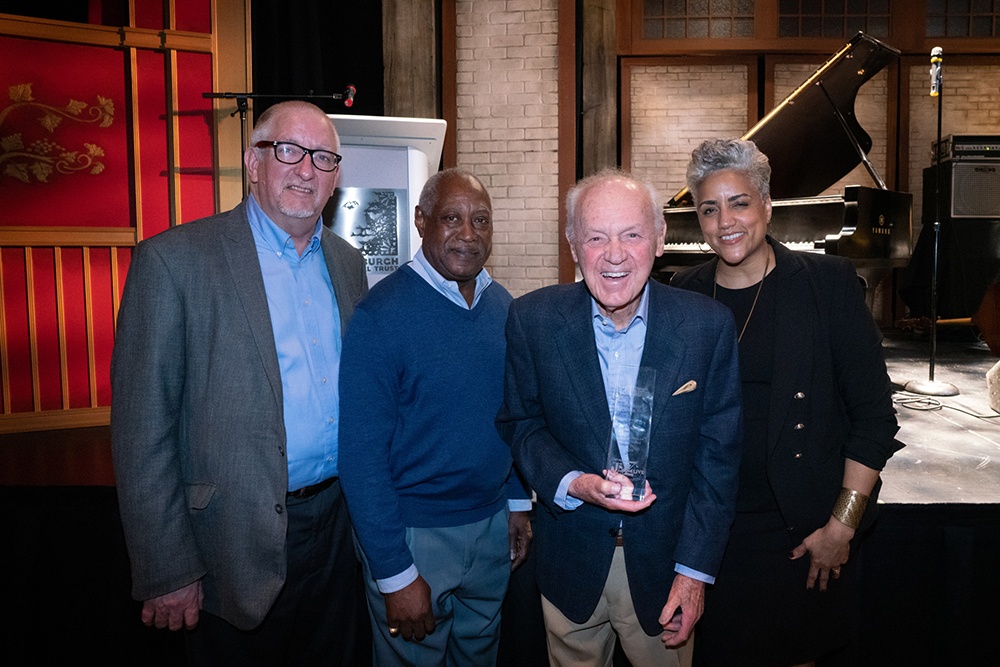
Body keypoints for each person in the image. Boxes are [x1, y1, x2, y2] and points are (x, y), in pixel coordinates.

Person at [111, 101, 368, 665]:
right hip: (229, 543)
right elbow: (141, 430)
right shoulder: (173, 262)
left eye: (323, 158)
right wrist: (167, 567)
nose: (306, 169)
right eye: (289, 151)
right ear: (254, 163)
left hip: (336, 535)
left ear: (336, 177)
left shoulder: (348, 264)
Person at [497, 169, 743, 666]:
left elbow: (718, 460)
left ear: (659, 239)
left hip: (666, 569)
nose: (614, 254)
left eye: (631, 234)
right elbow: (522, 424)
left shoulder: (706, 327)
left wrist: (694, 574)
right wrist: (573, 483)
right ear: (572, 244)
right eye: (595, 237)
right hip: (570, 565)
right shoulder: (532, 320)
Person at [670, 138, 902, 666]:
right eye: (709, 208)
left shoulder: (827, 286)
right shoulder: (684, 291)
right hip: (712, 531)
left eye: (739, 203)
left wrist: (841, 527)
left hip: (802, 532)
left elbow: (874, 417)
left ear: (768, 205)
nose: (725, 220)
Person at [338, 168, 533, 665]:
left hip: (490, 528)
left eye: (481, 220)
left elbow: (507, 417)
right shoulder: (380, 316)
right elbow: (360, 457)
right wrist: (394, 572)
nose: (468, 234)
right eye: (452, 218)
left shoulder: (503, 307)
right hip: (414, 538)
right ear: (422, 221)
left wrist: (515, 501)